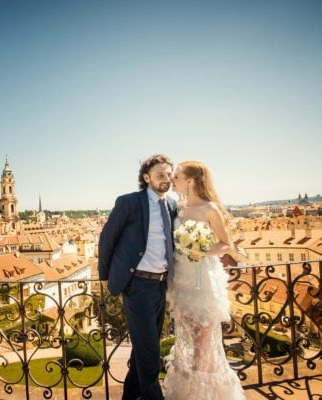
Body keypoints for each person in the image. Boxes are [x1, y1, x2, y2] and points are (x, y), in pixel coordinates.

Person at [163, 160, 245, 400]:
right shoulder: (177, 207)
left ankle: (204, 395)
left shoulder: (210, 209)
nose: (172, 180)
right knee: (185, 340)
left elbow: (226, 243)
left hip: (205, 282)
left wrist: (202, 250)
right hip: (182, 282)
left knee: (203, 344)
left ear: (190, 181)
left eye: (176, 176)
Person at [98, 154, 177, 400]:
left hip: (160, 285)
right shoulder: (129, 202)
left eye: (169, 174)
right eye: (160, 175)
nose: (166, 179)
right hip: (137, 284)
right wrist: (104, 275)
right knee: (150, 353)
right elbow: (107, 239)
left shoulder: (172, 204)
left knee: (144, 348)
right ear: (146, 177)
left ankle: (130, 395)